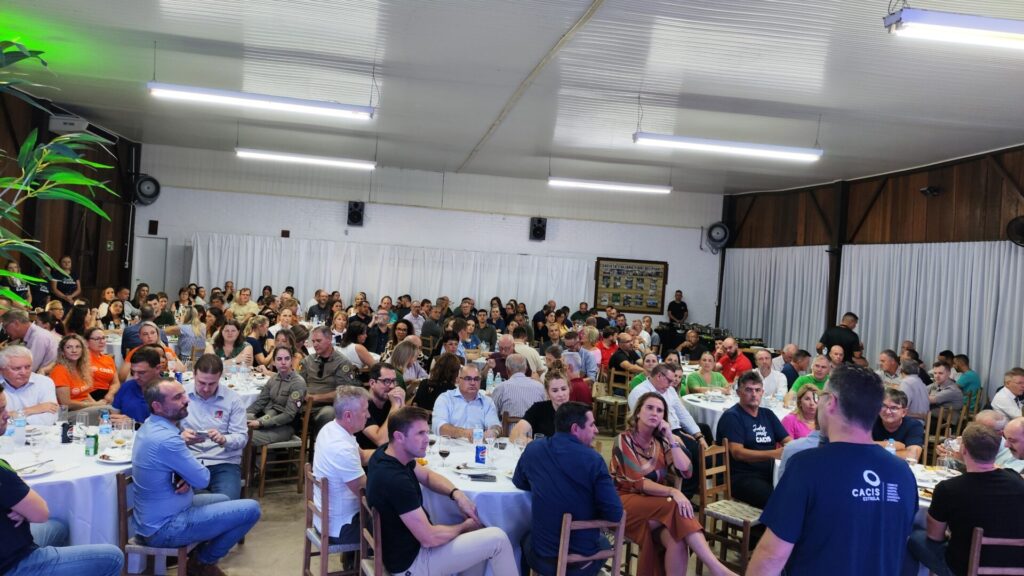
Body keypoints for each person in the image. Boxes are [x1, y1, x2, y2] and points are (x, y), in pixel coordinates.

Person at [749, 364, 917, 576]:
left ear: (831, 402)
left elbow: (771, 557)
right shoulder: (902, 472)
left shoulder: (806, 467)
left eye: (822, 395)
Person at [131, 378, 260, 576]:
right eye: (177, 397)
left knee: (223, 499)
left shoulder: (151, 425)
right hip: (164, 527)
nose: (187, 400)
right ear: (157, 406)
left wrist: (183, 475)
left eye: (183, 394)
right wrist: (188, 476)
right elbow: (203, 479)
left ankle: (200, 558)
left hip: (158, 514)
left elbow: (170, 467)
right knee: (251, 509)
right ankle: (202, 562)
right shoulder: (168, 439)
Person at [366, 406, 517, 575]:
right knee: (498, 539)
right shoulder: (395, 480)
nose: (427, 439)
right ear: (399, 437)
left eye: (427, 432)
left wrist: (457, 494)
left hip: (404, 550)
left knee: (478, 535)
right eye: (420, 433)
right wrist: (464, 527)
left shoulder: (386, 454)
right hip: (412, 564)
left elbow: (428, 476)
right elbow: (430, 538)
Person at [0, 386, 125, 576]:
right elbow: (40, 513)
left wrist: (17, 506)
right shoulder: (2, 471)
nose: (7, 415)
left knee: (57, 527)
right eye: (1, 410)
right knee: (114, 556)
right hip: (12, 562)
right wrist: (22, 508)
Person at [611, 393, 735, 576]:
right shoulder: (623, 440)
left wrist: (670, 437)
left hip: (656, 506)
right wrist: (673, 492)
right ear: (637, 412)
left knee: (677, 539)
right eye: (649, 408)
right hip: (624, 504)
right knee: (676, 506)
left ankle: (717, 570)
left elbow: (686, 471)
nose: (654, 413)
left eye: (660, 410)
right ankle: (717, 569)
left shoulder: (661, 441)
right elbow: (637, 481)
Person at [513, 401, 623, 576]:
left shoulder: (533, 449)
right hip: (579, 562)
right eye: (592, 425)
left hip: (542, 558)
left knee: (526, 537)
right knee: (603, 543)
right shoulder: (593, 460)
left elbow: (519, 482)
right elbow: (615, 514)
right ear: (575, 429)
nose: (596, 430)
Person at [904, 423, 1024, 576]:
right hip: (1014, 564)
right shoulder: (1017, 480)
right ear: (997, 451)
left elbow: (935, 536)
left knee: (914, 536)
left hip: (964, 569)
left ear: (963, 450)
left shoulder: (948, 489)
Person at [716, 371, 791, 508]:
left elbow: (787, 440)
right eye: (748, 390)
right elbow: (737, 453)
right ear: (738, 393)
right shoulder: (732, 417)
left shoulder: (767, 414)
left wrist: (795, 447)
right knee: (776, 501)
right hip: (740, 476)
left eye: (757, 390)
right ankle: (761, 530)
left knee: (798, 493)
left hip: (770, 473)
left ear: (763, 392)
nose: (754, 394)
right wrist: (774, 454)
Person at [313, 385, 374, 547]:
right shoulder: (341, 448)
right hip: (341, 527)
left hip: (325, 518)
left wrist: (392, 453)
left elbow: (362, 456)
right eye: (365, 411)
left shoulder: (331, 428)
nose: (368, 415)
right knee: (401, 523)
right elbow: (367, 493)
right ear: (348, 415)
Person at [180, 354, 248, 500]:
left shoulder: (233, 400)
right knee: (190, 502)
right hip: (189, 460)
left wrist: (224, 439)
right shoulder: (180, 395)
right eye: (201, 382)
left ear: (220, 378)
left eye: (212, 384)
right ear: (194, 375)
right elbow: (161, 430)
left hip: (223, 462)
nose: (206, 388)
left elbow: (242, 438)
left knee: (226, 503)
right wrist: (180, 437)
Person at [299, 326, 361, 429]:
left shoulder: (342, 362)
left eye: (318, 341)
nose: (315, 344)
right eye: (313, 341)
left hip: (327, 406)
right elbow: (297, 382)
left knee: (329, 413)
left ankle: (321, 442)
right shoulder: (308, 360)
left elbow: (344, 392)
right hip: (304, 404)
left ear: (329, 340)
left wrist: (315, 398)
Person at [246, 345, 305, 446]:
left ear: (291, 360)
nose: (283, 362)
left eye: (287, 358)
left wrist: (261, 423)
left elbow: (289, 415)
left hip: (285, 426)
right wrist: (241, 415)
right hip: (268, 417)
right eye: (279, 359)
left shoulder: (297, 383)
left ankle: (246, 461)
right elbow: (259, 403)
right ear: (273, 362)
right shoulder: (273, 379)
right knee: (234, 424)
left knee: (245, 436)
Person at [628, 364, 704, 442]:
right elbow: (647, 423)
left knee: (704, 430)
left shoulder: (670, 389)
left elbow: (682, 413)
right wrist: (672, 436)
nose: (671, 384)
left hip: (676, 428)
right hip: (659, 434)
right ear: (659, 376)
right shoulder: (639, 392)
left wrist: (698, 435)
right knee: (695, 448)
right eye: (669, 381)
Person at [432, 363, 501, 439]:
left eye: (476, 379)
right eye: (468, 379)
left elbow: (495, 424)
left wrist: (494, 432)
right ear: (458, 380)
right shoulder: (445, 399)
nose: (472, 383)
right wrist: (465, 433)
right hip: (450, 447)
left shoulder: (487, 402)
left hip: (477, 447)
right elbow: (439, 426)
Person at [509, 370, 573, 444]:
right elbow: (515, 434)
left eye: (563, 389)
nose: (561, 394)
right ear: (547, 393)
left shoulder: (579, 412)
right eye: (555, 391)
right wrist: (535, 445)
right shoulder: (538, 409)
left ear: (569, 389)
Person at [0, 346, 58, 425]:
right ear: (1, 369)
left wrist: (12, 417)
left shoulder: (44, 382)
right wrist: (31, 410)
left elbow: (50, 417)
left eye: (27, 367)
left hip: (40, 434)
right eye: (17, 368)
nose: (24, 372)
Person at [355, 362, 406, 449]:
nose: (392, 386)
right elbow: (381, 441)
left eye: (394, 381)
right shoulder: (361, 406)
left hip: (389, 453)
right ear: (372, 383)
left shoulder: (390, 400)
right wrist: (394, 407)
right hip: (368, 457)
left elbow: (407, 432)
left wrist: (402, 403)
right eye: (386, 381)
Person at [50, 334, 103, 414]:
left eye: (78, 347)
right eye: (69, 347)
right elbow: (66, 403)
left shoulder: (81, 368)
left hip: (84, 408)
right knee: (110, 410)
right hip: (69, 413)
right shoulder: (60, 370)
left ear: (83, 350)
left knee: (109, 408)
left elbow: (85, 393)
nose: (74, 350)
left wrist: (96, 404)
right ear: (62, 352)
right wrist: (92, 405)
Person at [110, 347, 163, 424]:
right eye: (133, 372)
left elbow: (166, 431)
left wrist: (134, 425)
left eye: (141, 373)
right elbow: (114, 415)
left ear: (158, 368)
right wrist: (108, 421)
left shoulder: (169, 393)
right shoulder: (126, 387)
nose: (135, 377)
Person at [871, 388, 925, 462]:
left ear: (904, 412)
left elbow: (913, 456)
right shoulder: (870, 421)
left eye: (894, 408)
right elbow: (858, 446)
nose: (887, 411)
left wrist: (873, 448)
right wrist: (890, 444)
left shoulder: (914, 425)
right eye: (884, 406)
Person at [2, 309, 59, 374]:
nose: (5, 331)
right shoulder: (34, 335)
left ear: (16, 324)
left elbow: (28, 369)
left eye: (5, 327)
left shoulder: (38, 336)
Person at [490, 354, 546, 419]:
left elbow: (492, 413)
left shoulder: (501, 388)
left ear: (507, 370)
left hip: (510, 429)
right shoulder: (540, 387)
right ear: (526, 369)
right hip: (535, 428)